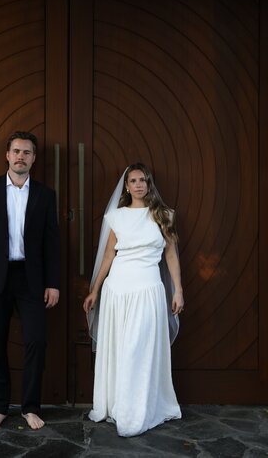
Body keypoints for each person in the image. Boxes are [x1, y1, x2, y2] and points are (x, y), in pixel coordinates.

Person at [0, 131, 60, 431]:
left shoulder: (45, 195)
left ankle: (30, 407)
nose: (21, 156)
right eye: (16, 151)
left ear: (33, 158)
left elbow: (51, 243)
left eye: (27, 152)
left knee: (36, 341)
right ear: (7, 155)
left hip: (31, 279)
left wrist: (53, 283)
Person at [83, 163, 184, 437]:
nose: (139, 185)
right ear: (126, 186)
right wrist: (95, 290)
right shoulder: (116, 217)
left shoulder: (164, 215)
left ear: (149, 184)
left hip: (148, 289)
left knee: (139, 348)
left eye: (143, 180)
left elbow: (171, 255)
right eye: (133, 181)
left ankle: (137, 410)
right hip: (118, 290)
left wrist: (177, 290)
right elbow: (107, 256)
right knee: (119, 348)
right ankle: (117, 406)